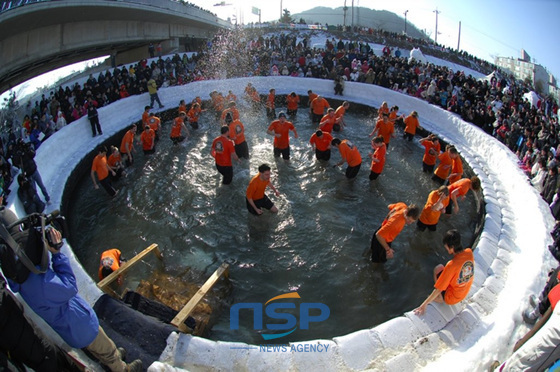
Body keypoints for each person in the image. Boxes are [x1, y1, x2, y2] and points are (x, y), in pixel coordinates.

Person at [7, 227, 142, 372]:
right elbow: (70, 286)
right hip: (82, 325)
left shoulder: (20, 280)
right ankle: (121, 367)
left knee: (95, 347)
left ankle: (110, 356)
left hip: (69, 330)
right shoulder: (44, 283)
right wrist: (57, 254)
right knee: (105, 347)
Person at [414, 229, 474, 315]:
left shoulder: (451, 265)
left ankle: (441, 298)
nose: (446, 249)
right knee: (444, 269)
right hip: (464, 292)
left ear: (452, 247)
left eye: (446, 247)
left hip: (452, 299)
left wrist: (424, 304)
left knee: (438, 269)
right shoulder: (469, 252)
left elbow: (438, 289)